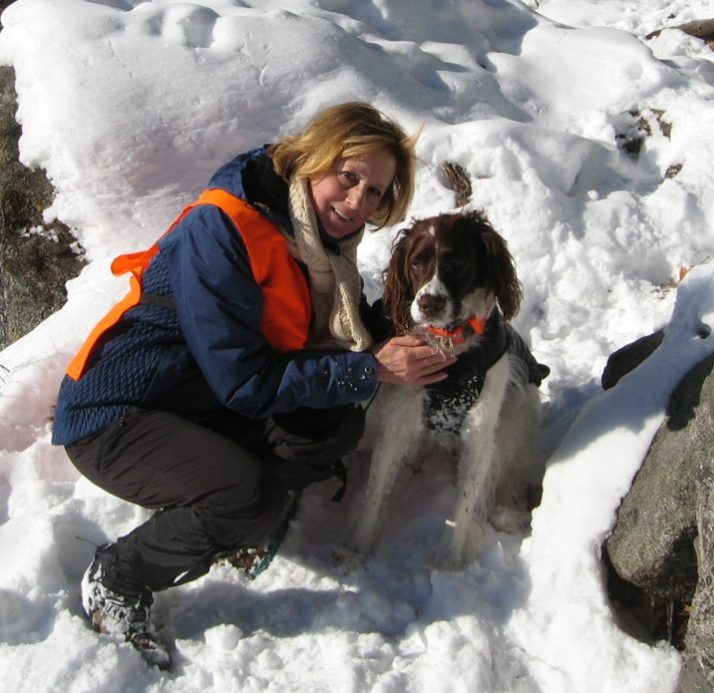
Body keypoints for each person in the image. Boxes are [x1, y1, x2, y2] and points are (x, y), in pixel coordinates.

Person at [51, 102, 456, 669]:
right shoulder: (224, 227)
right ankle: (119, 575)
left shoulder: (319, 243)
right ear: (314, 158)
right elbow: (246, 382)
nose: (357, 202)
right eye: (349, 177)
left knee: (331, 421)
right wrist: (374, 369)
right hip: (117, 414)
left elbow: (340, 335)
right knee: (247, 498)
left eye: (376, 193)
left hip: (198, 401)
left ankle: (236, 506)